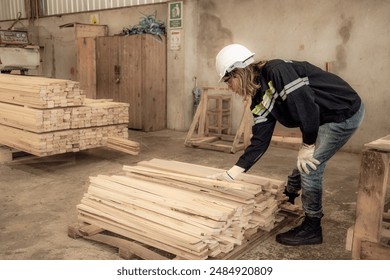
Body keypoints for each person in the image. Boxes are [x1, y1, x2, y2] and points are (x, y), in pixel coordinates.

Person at [209, 43, 365, 246]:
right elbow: (260, 139)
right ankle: (289, 194)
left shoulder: (277, 71)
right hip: (324, 117)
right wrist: (234, 172)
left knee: (310, 168)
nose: (229, 87)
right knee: (306, 162)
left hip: (342, 112)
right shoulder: (259, 98)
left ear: (238, 72)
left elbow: (306, 107)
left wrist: (307, 145)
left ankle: (312, 227)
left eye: (228, 81)